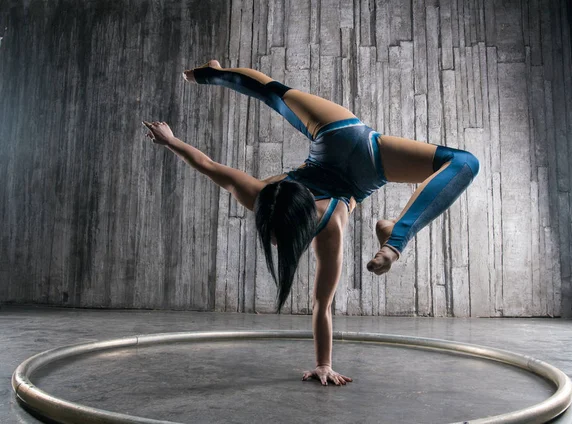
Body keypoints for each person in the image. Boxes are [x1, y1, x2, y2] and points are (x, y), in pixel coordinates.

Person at [142, 60, 479, 387]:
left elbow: (322, 305)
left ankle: (395, 239)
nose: (275, 242)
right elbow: (207, 164)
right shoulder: (259, 195)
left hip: (345, 144)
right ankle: (215, 75)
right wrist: (170, 141)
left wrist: (323, 364)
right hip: (362, 162)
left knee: (463, 163)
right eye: (273, 234)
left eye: (278, 236)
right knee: (271, 92)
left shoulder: (329, 225)